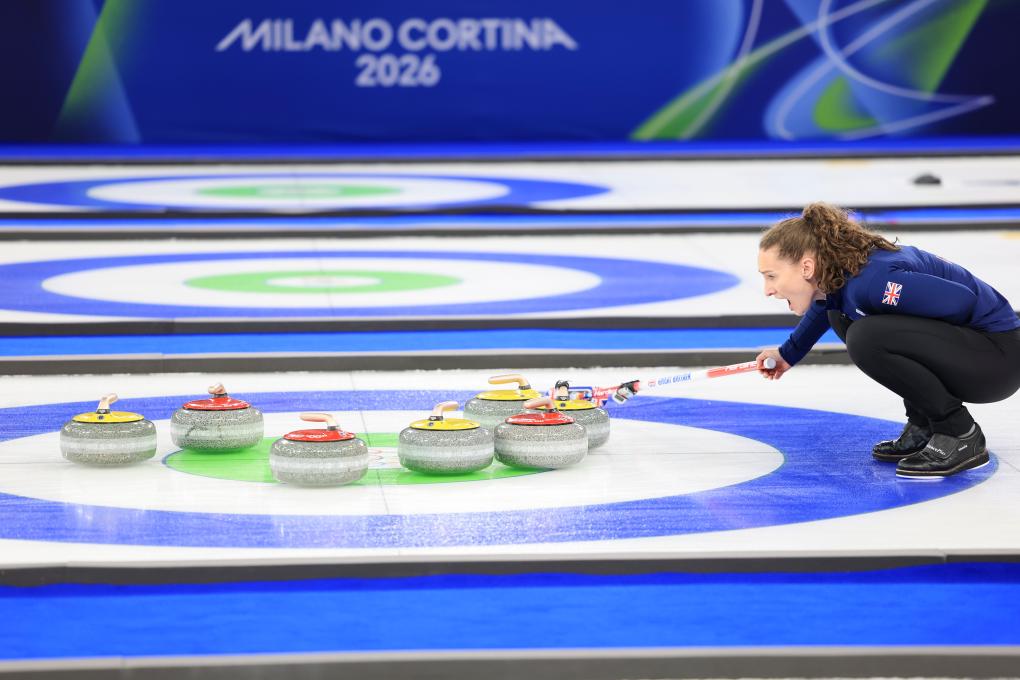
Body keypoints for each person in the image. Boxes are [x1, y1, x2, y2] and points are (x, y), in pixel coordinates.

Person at [755, 202, 1020, 478]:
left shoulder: (873, 283)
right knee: (842, 316)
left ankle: (958, 433)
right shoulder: (844, 276)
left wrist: (911, 330)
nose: (768, 290)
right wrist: (788, 352)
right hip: (981, 353)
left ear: (807, 267)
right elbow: (827, 305)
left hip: (996, 362)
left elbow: (961, 301)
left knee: (867, 336)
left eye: (771, 276)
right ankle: (924, 424)